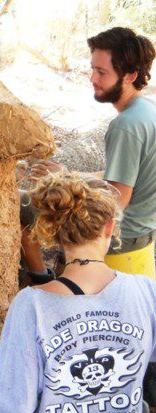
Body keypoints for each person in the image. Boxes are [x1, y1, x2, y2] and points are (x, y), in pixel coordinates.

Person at [0, 174, 155, 413]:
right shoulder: (146, 291)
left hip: (32, 408)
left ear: (53, 232)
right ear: (110, 227)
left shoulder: (31, 305)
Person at [21, 27, 156, 284]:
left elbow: (117, 199)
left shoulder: (126, 125)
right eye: (93, 69)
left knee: (21, 206)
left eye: (102, 72)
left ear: (130, 75)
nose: (92, 78)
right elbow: (122, 175)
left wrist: (64, 188)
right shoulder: (148, 110)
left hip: (121, 236)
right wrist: (68, 174)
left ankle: (41, 279)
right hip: (144, 230)